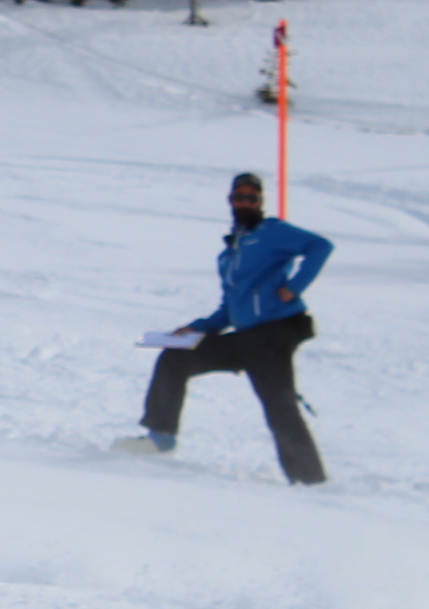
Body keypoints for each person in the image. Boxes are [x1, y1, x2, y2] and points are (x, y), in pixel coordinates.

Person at [137, 170, 330, 483]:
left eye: (251, 197)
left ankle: (310, 479)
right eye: (239, 197)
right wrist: (195, 329)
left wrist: (294, 287)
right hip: (246, 337)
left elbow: (320, 246)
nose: (245, 202)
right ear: (230, 201)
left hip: (274, 334)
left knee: (278, 406)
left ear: (261, 201)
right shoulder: (229, 254)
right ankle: (160, 438)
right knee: (177, 354)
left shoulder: (272, 231)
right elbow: (230, 309)